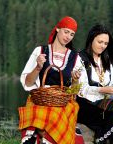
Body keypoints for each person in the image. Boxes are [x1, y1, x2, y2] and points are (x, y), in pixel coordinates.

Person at [18, 16, 84, 144]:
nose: (68, 37)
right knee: (41, 112)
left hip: (63, 101)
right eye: (66, 31)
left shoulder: (75, 57)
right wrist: (38, 67)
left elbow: (75, 92)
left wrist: (75, 80)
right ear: (58, 29)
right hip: (40, 98)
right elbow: (28, 83)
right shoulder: (41, 51)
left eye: (72, 34)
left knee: (55, 114)